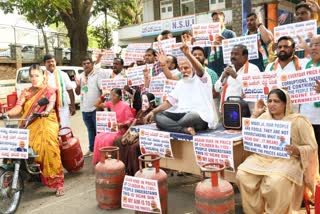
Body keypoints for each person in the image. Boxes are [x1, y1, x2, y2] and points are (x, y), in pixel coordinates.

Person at [236, 88, 319, 213]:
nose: (272, 104)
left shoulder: (299, 121)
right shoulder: (264, 117)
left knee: (275, 182)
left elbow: (312, 147)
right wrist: (255, 113)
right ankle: (254, 210)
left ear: (286, 103)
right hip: (262, 159)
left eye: (276, 101)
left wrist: (298, 149)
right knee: (242, 174)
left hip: (288, 160)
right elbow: (250, 134)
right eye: (269, 101)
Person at [4, 64, 64, 196]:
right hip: (30, 122)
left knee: (48, 146)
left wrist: (46, 112)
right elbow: (18, 108)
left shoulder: (50, 90)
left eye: (37, 75)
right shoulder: (26, 92)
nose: (34, 78)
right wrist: (7, 114)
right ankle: (20, 173)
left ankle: (57, 182)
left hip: (46, 121)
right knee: (14, 146)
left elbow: (50, 103)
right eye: (31, 76)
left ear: (43, 76)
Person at [144, 42, 218, 135]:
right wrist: (153, 111)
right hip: (181, 114)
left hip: (200, 117)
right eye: (181, 69)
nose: (183, 71)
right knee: (158, 116)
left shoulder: (203, 79)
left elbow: (200, 70)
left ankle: (168, 126)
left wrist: (188, 54)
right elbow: (169, 102)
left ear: (193, 69)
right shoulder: (180, 83)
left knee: (191, 116)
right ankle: (183, 130)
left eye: (186, 68)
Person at [113, 93, 156, 175]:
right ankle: (121, 168)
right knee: (118, 141)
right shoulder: (140, 111)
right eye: (142, 101)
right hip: (133, 133)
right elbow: (133, 124)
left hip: (144, 136)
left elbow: (150, 129)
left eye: (145, 101)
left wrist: (135, 137)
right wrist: (126, 134)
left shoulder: (153, 114)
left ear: (151, 103)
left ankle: (135, 172)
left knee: (133, 147)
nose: (143, 103)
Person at [92, 88, 135, 165]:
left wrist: (121, 124)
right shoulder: (110, 103)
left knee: (108, 139)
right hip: (111, 129)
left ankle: (110, 161)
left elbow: (130, 121)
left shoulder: (125, 106)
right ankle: (101, 160)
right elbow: (96, 105)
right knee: (98, 136)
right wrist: (103, 95)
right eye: (110, 95)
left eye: (114, 95)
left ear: (119, 97)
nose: (111, 97)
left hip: (121, 129)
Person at [214, 44, 260, 111]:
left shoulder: (253, 69)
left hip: (246, 110)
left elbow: (253, 89)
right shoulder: (228, 69)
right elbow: (217, 89)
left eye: (236, 54)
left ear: (245, 57)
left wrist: (236, 76)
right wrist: (223, 77)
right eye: (231, 54)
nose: (233, 56)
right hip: (228, 109)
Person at [75, 54, 103, 157]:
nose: (86, 65)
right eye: (84, 64)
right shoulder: (81, 76)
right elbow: (77, 92)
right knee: (90, 130)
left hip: (95, 109)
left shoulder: (97, 75)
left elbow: (102, 90)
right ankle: (92, 149)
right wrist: (77, 85)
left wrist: (100, 106)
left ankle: (100, 151)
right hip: (84, 108)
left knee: (98, 131)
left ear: (92, 64)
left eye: (88, 63)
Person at [300, 35, 320, 162]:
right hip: (306, 118)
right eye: (311, 45)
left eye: (317, 44)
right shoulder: (303, 65)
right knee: (308, 153)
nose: (313, 48)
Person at [44, 54, 75, 128]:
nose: (51, 63)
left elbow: (70, 90)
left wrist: (73, 105)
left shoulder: (63, 75)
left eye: (52, 61)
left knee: (64, 129)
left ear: (55, 62)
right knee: (51, 131)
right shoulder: (42, 76)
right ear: (44, 64)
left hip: (63, 108)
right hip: (47, 110)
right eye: (48, 62)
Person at [208, 11, 237, 77]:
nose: (215, 22)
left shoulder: (230, 34)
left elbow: (236, 51)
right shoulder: (209, 35)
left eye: (217, 19)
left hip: (225, 70)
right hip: (212, 70)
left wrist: (224, 42)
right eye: (213, 20)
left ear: (223, 20)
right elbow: (204, 53)